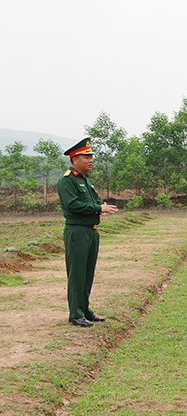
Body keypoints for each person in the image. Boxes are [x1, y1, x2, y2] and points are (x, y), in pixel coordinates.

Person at [57, 137, 118, 327]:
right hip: (77, 232)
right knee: (77, 273)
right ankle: (75, 313)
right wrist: (97, 208)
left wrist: (101, 207)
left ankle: (84, 309)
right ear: (75, 159)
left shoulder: (86, 181)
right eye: (86, 157)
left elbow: (92, 203)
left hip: (91, 231)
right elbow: (73, 204)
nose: (90, 160)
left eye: (91, 156)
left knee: (88, 272)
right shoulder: (68, 180)